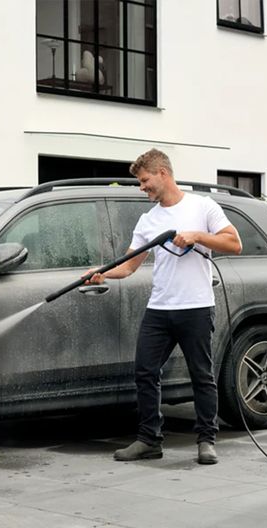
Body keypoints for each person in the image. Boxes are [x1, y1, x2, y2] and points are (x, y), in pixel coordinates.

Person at [85, 149, 242, 465]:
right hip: (160, 308)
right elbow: (129, 266)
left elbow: (234, 243)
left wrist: (197, 236)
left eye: (144, 181)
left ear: (163, 174)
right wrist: (101, 272)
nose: (142, 187)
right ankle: (149, 440)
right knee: (145, 371)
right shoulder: (148, 220)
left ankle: (206, 441)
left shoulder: (202, 206)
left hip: (196, 306)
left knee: (201, 375)